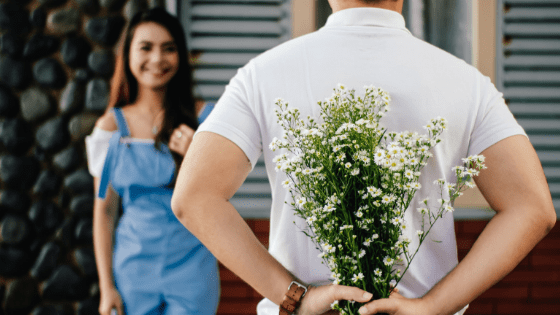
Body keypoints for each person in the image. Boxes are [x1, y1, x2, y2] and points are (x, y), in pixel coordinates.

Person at [171, 0, 556, 314]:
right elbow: (533, 208)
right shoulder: (467, 82)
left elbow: (194, 197)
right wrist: (432, 306)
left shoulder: (263, 74)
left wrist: (296, 298)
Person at [85, 8, 219, 315]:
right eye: (146, 47)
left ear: (181, 56)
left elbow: (221, 197)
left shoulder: (206, 120)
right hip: (133, 271)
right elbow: (104, 211)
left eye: (168, 48)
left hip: (194, 268)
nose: (157, 59)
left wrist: (194, 158)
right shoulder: (110, 128)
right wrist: (107, 288)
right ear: (128, 54)